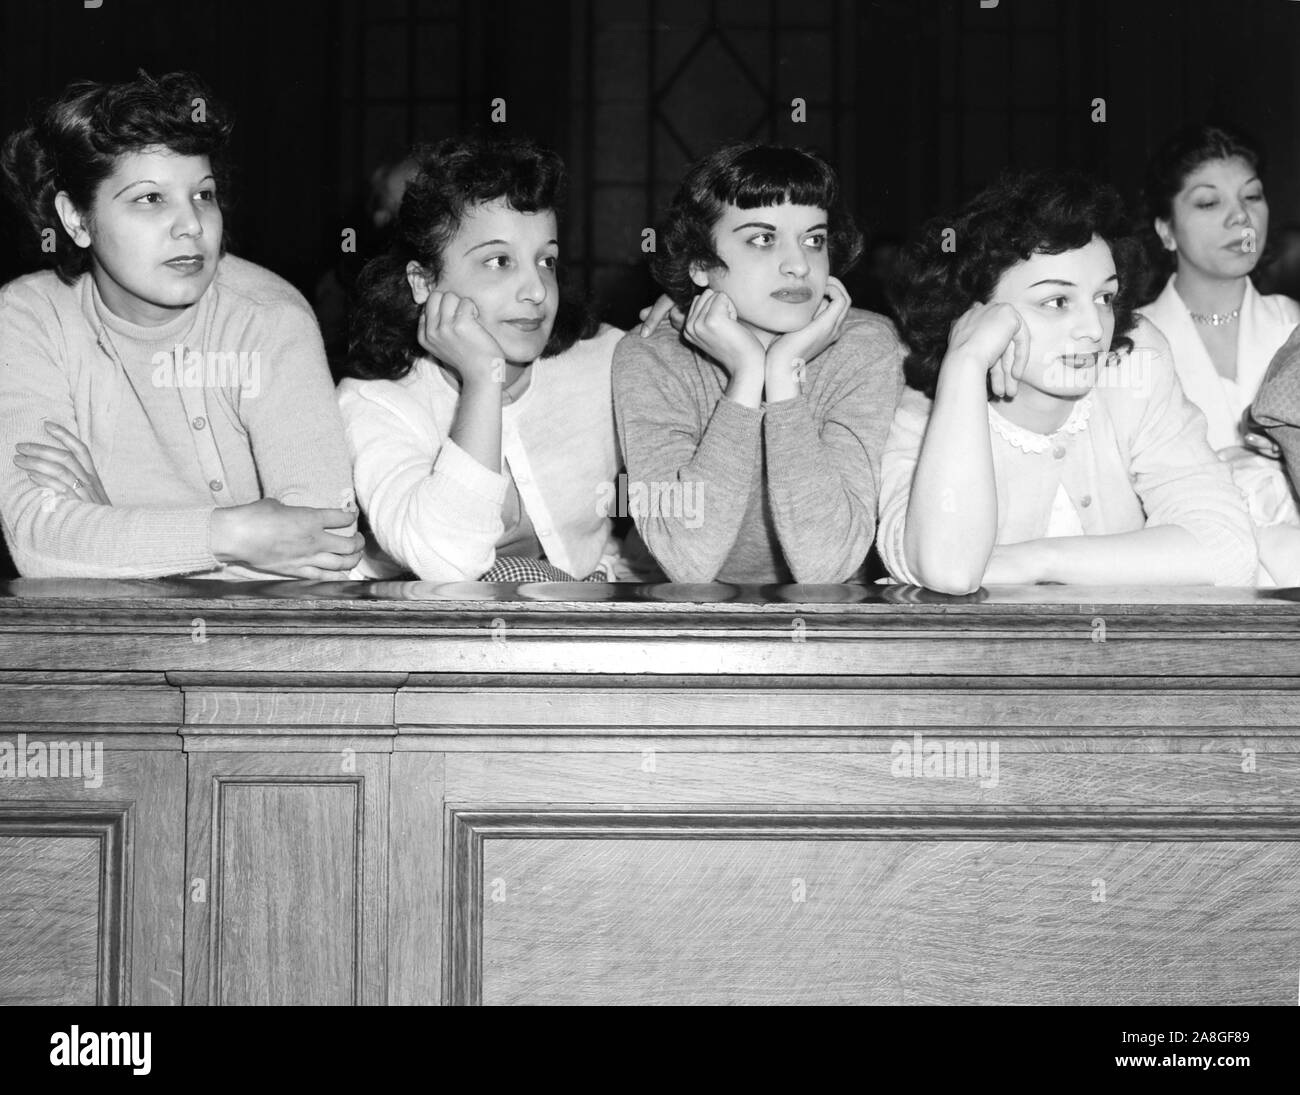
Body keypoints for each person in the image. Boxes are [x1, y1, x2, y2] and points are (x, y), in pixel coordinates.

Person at [0, 70, 362, 579]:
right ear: (77, 219)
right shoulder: (29, 318)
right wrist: (235, 536)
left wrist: (109, 530)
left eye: (203, 194)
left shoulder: (268, 318)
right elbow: (38, 543)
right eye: (151, 198)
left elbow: (327, 544)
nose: (192, 224)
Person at [877, 169, 1257, 594]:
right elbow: (948, 570)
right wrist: (965, 365)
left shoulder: (1132, 362)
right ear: (975, 312)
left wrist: (1037, 559)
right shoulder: (928, 407)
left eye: (1104, 297)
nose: (1094, 328)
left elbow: (1228, 550)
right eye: (1057, 301)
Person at [339, 135, 653, 582]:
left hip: (573, 618)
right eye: (499, 261)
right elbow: (448, 561)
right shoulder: (374, 402)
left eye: (546, 260)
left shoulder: (607, 362)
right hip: (416, 635)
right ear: (423, 282)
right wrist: (483, 380)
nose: (537, 291)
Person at [613, 141, 904, 584]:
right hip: (685, 619)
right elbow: (688, 561)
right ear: (700, 264)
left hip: (830, 619)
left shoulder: (865, 347)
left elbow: (826, 566)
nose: (798, 265)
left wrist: (783, 375)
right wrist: (746, 378)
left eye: (814, 240)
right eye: (762, 239)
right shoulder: (652, 355)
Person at [1139, 123, 1300, 583]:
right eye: (1210, 202)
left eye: (1252, 197)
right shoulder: (1131, 345)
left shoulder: (1292, 325)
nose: (1241, 219)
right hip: (1190, 583)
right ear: (1166, 230)